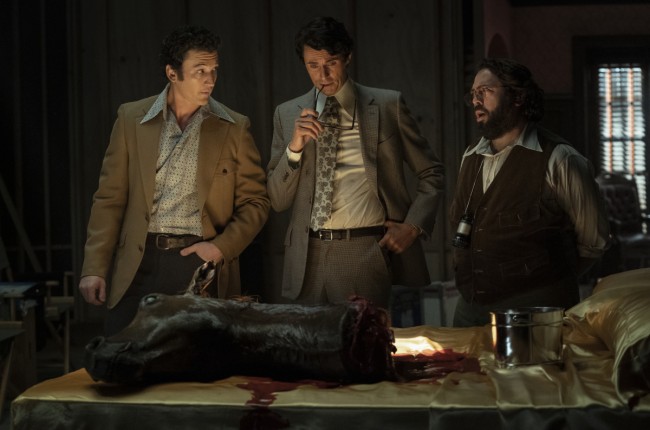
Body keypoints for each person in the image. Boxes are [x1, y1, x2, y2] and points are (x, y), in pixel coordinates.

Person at [79, 25, 270, 336]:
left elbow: (256, 203)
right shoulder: (131, 119)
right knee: (121, 350)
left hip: (199, 263)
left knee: (198, 361)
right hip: (139, 260)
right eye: (200, 71)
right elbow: (109, 199)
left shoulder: (234, 127)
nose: (210, 79)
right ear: (172, 73)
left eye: (214, 70)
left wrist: (220, 248)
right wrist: (94, 268)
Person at [267, 17, 444, 309]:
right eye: (313, 65)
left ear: (348, 57)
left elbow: (432, 172)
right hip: (305, 257)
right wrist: (294, 148)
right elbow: (277, 200)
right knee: (306, 340)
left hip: (363, 252)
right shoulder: (286, 114)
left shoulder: (387, 106)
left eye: (331, 63)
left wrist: (413, 226)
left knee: (362, 338)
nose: (323, 75)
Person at [450, 58, 610, 327]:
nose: (476, 100)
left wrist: (547, 281)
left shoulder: (560, 159)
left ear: (517, 97)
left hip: (536, 314)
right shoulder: (470, 156)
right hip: (471, 308)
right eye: (473, 93)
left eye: (485, 91)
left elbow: (593, 242)